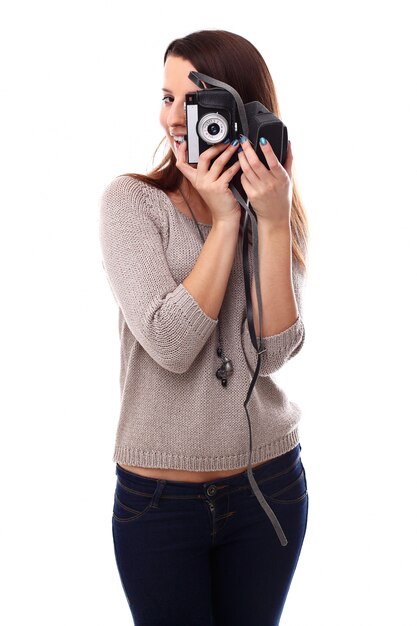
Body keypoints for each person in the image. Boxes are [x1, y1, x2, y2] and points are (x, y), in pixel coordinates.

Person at [99, 29, 310, 626]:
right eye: (166, 98)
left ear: (240, 110)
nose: (175, 118)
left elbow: (272, 352)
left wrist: (267, 224)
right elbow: (170, 342)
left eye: (190, 101)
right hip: (160, 502)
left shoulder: (270, 206)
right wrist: (221, 223)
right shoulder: (131, 204)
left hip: (268, 485)